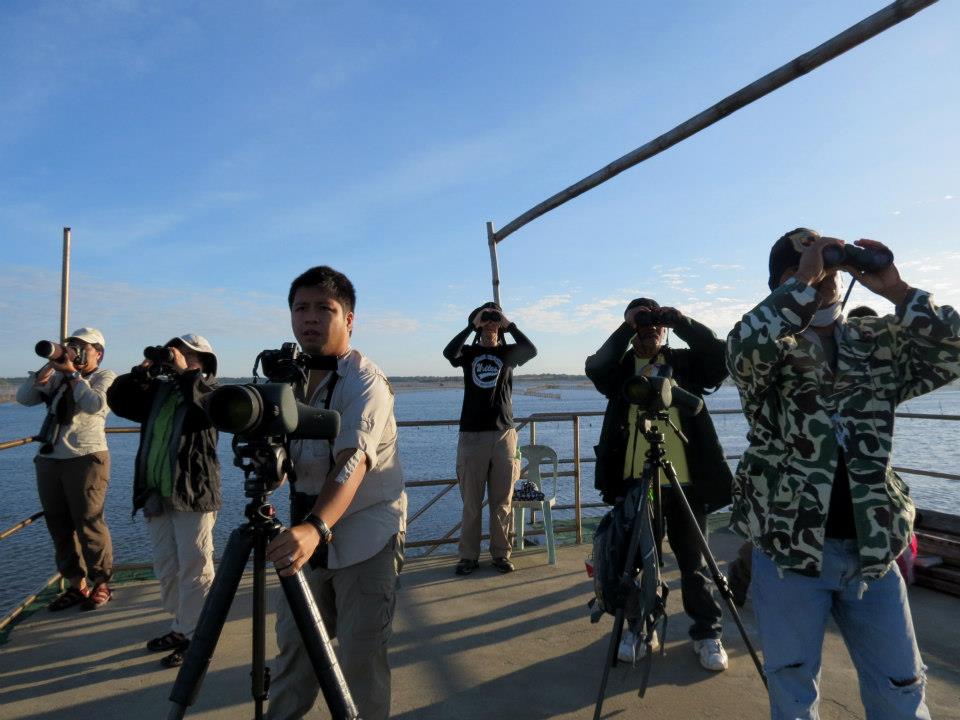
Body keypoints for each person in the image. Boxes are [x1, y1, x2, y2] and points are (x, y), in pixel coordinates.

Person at [726, 228, 960, 719]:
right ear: (781, 283)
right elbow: (743, 352)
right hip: (788, 550)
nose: (823, 275)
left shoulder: (875, 340)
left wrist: (895, 290)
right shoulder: (768, 345)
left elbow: (953, 349)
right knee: (792, 692)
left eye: (830, 265)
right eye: (805, 266)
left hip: (872, 551)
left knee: (901, 689)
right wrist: (801, 286)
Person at [264, 266, 406, 720]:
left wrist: (316, 526)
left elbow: (353, 461)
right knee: (294, 656)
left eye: (324, 309)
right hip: (305, 537)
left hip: (363, 537)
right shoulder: (289, 380)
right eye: (300, 308)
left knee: (360, 664)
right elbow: (285, 466)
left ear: (349, 319)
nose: (310, 318)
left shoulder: (364, 381)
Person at [586, 298, 733, 671]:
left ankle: (707, 633)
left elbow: (720, 356)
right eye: (642, 323)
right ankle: (640, 628)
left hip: (686, 482)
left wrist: (682, 321)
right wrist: (627, 326)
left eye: (656, 324)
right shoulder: (619, 371)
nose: (649, 329)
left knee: (694, 564)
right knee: (634, 564)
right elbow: (596, 365)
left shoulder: (684, 364)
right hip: (637, 484)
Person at [106, 334, 221, 668]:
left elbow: (207, 409)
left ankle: (196, 635)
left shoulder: (213, 392)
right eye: (176, 353)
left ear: (204, 362)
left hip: (194, 493)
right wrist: (140, 373)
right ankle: (181, 625)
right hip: (157, 492)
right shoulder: (158, 392)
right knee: (166, 567)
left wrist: (187, 374)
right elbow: (119, 401)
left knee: (196, 567)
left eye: (188, 354)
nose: (179, 358)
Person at [16, 327, 117, 611]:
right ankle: (77, 584)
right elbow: (25, 398)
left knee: (89, 521)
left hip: (86, 457)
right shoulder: (58, 377)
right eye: (72, 345)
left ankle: (102, 583)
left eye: (82, 347)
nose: (75, 351)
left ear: (99, 352)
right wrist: (50, 364)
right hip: (50, 458)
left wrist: (74, 375)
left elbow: (95, 405)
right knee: (58, 525)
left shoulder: (104, 377)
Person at [442, 302, 537, 575]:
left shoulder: (508, 353)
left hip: (504, 433)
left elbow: (531, 350)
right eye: (485, 323)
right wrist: (473, 324)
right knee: (472, 503)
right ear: (478, 326)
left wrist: (509, 325)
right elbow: (449, 352)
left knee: (502, 501)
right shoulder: (469, 353)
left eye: (494, 323)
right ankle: (468, 556)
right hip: (472, 435)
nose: (490, 327)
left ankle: (500, 554)